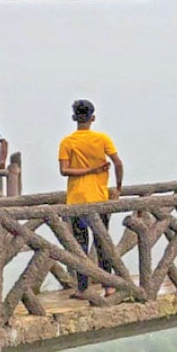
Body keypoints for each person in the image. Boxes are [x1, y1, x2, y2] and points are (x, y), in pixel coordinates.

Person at [58, 99, 124, 298]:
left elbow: (64, 170)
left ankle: (82, 288)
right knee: (102, 242)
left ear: (74, 117)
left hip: (76, 200)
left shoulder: (67, 142)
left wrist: (87, 170)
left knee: (80, 245)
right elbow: (118, 163)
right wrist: (118, 187)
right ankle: (108, 285)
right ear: (93, 118)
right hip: (99, 198)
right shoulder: (102, 139)